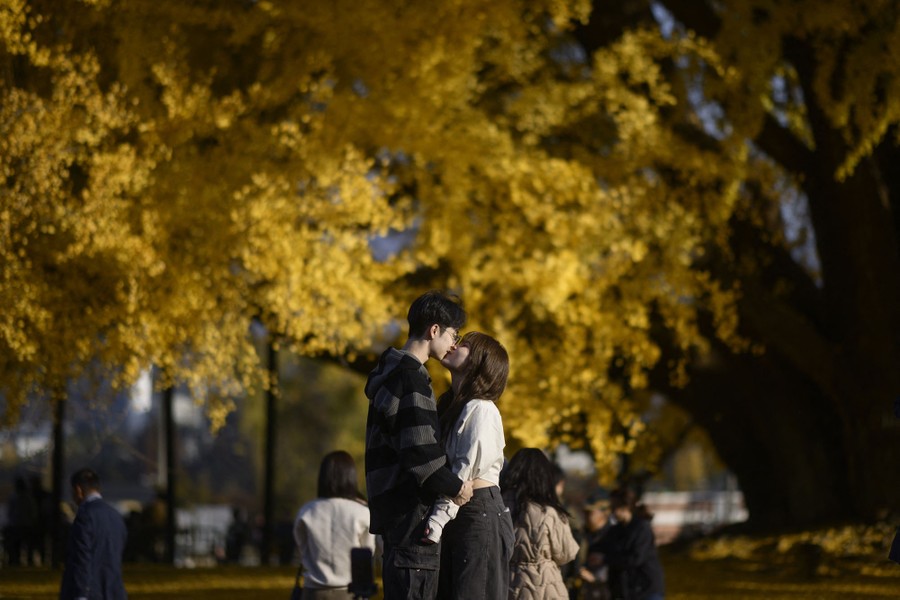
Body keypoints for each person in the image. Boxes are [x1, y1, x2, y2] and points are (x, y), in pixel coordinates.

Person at [364, 290, 474, 599]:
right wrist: (456, 487)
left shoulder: (389, 374)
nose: (454, 343)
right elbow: (420, 453)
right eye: (454, 334)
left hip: (392, 513)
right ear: (434, 330)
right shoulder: (412, 379)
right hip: (410, 515)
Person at [422, 332, 514, 599]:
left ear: (479, 362)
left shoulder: (482, 409)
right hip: (460, 511)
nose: (453, 345)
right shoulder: (454, 407)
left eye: (464, 345)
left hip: (478, 511)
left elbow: (465, 471)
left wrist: (438, 519)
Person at [293, 451, 377, 599]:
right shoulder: (362, 513)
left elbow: (302, 549)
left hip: (313, 591)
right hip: (351, 592)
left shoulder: (307, 511)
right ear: (351, 476)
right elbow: (368, 553)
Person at [502, 448, 580, 600]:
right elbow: (567, 553)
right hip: (545, 586)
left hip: (507, 583)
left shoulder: (499, 505)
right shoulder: (549, 510)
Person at [59, 468, 128, 600]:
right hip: (114, 591)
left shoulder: (85, 515)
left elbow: (81, 557)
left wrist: (81, 594)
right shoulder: (116, 516)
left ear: (78, 490)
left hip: (90, 591)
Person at [594, 487, 664, 600]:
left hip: (645, 589)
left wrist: (605, 559)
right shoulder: (615, 530)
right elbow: (601, 547)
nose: (611, 511)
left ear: (625, 506)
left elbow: (635, 558)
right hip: (626, 590)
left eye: (614, 507)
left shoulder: (641, 528)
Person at [579, 492, 613, 600]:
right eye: (585, 512)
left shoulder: (613, 534)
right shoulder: (581, 534)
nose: (587, 516)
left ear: (604, 513)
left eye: (591, 512)